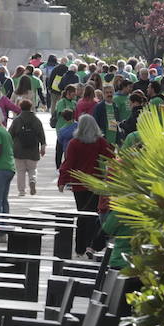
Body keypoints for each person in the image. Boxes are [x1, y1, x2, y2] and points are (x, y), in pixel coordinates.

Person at [59, 114, 115, 255]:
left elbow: (68, 163)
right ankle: (91, 244)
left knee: (81, 214)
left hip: (79, 184)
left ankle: (79, 248)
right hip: (96, 183)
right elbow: (111, 157)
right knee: (93, 214)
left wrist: (62, 181)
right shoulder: (100, 142)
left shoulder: (74, 143)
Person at [8, 98, 46, 197]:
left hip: (19, 150)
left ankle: (21, 191)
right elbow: (41, 134)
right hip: (33, 149)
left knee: (20, 171)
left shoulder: (17, 120)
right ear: (31, 107)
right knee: (32, 169)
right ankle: (32, 180)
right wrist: (42, 147)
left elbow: (10, 134)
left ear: (20, 107)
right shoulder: (36, 120)